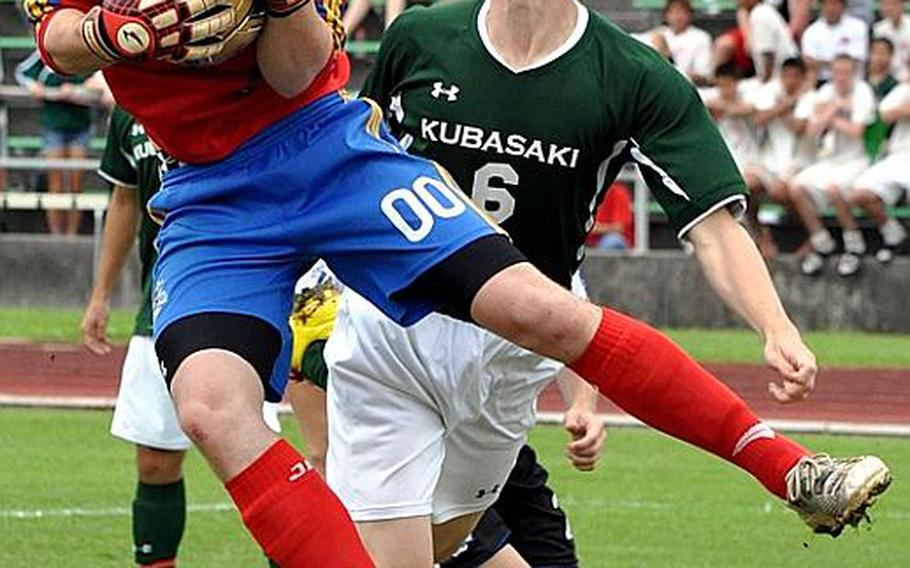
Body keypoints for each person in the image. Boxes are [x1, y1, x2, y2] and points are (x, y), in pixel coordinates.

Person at [30, 0, 891, 564]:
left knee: (536, 312)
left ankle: (789, 471)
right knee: (208, 408)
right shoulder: (428, 35)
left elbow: (297, 72)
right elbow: (56, 40)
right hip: (224, 205)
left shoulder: (628, 70)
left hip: (331, 159)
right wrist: (118, 33)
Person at [328, 0, 889, 564]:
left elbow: (714, 227)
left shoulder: (633, 75)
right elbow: (356, 162)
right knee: (391, 555)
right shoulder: (421, 36)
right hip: (394, 325)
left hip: (518, 352)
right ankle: (783, 465)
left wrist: (776, 325)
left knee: (441, 543)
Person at [286, 263, 602, 567]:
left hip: (494, 432)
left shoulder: (533, 236)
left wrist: (583, 405)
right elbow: (322, 453)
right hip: (412, 448)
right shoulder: (326, 284)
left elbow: (570, 313)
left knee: (551, 557)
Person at [81, 107, 282, 567]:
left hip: (237, 296)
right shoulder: (129, 107)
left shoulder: (240, 89)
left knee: (254, 458)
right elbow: (125, 201)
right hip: (161, 300)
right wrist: (101, 294)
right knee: (154, 460)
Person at [787, 55, 877, 276]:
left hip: (855, 160)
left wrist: (831, 114)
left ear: (853, 74)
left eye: (846, 72)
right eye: (837, 72)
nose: (841, 77)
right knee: (795, 187)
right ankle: (821, 242)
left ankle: (854, 245)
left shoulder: (863, 91)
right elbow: (812, 130)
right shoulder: (827, 91)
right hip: (829, 160)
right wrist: (834, 109)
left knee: (834, 189)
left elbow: (857, 131)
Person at [14, 50, 96, 235]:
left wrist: (77, 91)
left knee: (76, 186)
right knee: (56, 185)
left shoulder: (87, 52)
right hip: (54, 126)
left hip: (80, 126)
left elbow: (99, 81)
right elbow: (22, 72)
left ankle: (72, 236)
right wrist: (33, 87)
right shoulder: (45, 52)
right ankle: (56, 235)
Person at [743, 57, 815, 257]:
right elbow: (758, 119)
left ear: (802, 78)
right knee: (744, 186)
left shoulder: (811, 97)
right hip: (769, 160)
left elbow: (798, 127)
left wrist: (778, 108)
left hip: (800, 162)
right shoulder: (772, 91)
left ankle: (812, 234)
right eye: (786, 76)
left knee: (779, 192)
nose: (790, 81)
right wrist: (789, 103)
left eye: (795, 77)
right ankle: (760, 236)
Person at [849, 70, 910, 263]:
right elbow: (884, 114)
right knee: (860, 193)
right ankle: (896, 237)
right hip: (898, 157)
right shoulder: (904, 89)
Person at [703, 63, 760, 175]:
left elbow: (747, 109)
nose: (725, 89)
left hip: (749, 158)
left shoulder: (748, 95)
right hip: (723, 158)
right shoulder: (711, 97)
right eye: (721, 85)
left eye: (728, 84)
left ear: (737, 83)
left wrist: (724, 107)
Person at [801, 0, 869, 85]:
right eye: (827, 4)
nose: (831, 8)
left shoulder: (858, 27)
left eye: (834, 4)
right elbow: (810, 64)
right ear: (821, 6)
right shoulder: (810, 32)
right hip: (821, 82)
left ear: (843, 6)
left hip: (853, 83)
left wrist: (821, 62)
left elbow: (855, 61)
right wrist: (839, 62)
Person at [737, 0, 799, 83]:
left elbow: (768, 55)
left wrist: (764, 83)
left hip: (780, 79)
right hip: (779, 76)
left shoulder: (759, 15)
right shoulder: (763, 11)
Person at [656, 0, 713, 85]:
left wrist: (668, 57)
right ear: (665, 15)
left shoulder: (702, 37)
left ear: (690, 15)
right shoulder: (658, 34)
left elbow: (702, 77)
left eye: (682, 12)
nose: (677, 17)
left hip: (692, 89)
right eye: (672, 12)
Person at [586, 182, 634, 251]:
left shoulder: (618, 192)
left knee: (613, 241)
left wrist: (595, 228)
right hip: (588, 241)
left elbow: (619, 228)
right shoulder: (581, 194)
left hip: (608, 241)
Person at [874, 0, 910, 82]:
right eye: (885, 5)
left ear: (902, 5)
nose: (889, 8)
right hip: (888, 78)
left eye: (893, 4)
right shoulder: (878, 30)